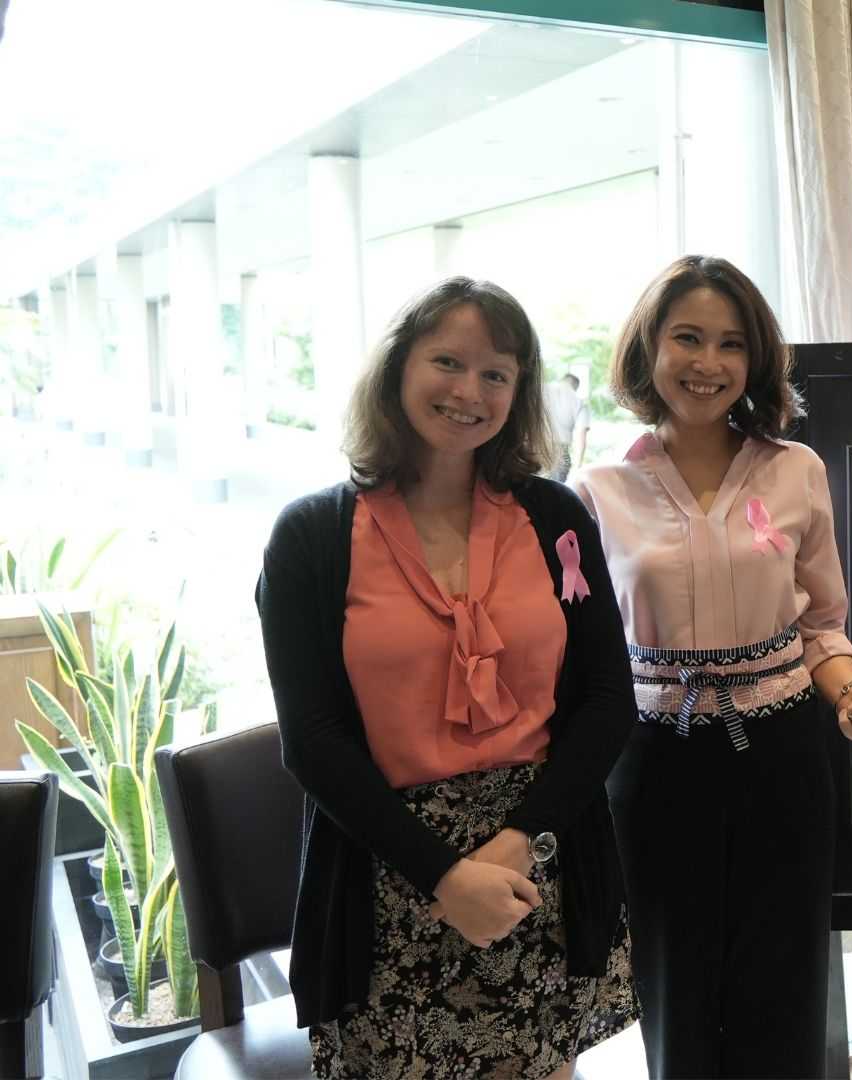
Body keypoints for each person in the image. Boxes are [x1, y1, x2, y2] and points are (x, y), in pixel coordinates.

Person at [256, 276, 637, 1080]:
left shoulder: (555, 517)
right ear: (398, 366)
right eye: (448, 362)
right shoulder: (312, 536)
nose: (470, 392)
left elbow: (608, 698)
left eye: (497, 373)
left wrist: (521, 841)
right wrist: (445, 876)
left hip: (537, 861)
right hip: (387, 871)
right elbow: (312, 740)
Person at [570, 254, 852, 1079]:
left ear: (755, 359)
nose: (708, 363)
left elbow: (821, 623)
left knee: (783, 988)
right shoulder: (596, 487)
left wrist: (851, 693)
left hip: (781, 753)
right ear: (649, 347)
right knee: (674, 990)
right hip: (653, 759)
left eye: (731, 343)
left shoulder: (796, 470)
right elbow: (579, 650)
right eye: (687, 338)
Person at [545, 372, 590, 482]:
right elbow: (581, 435)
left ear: (563, 380)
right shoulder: (579, 401)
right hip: (560, 453)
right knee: (554, 490)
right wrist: (577, 467)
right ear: (576, 387)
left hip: (533, 447)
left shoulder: (542, 389)